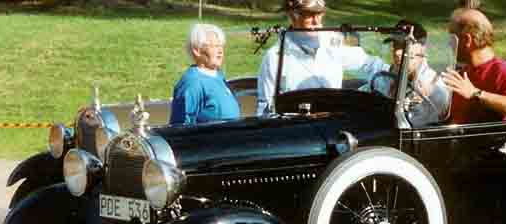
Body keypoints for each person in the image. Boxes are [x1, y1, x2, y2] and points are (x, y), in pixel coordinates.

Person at [256, 0, 386, 115]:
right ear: (292, 15)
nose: (316, 21)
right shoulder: (275, 57)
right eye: (310, 15)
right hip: (297, 130)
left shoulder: (334, 42)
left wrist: (397, 72)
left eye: (319, 14)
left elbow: (367, 64)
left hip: (332, 125)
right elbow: (266, 108)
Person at [441, 8, 506, 124]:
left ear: (467, 40)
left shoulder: (503, 72)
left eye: (452, 38)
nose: (449, 44)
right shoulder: (464, 73)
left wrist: (475, 94)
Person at [371, 19, 451, 125]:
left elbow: (414, 127)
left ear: (422, 49)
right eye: (395, 45)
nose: (397, 52)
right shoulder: (387, 76)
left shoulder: (433, 89)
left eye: (405, 46)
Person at [169, 24, 241, 125]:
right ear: (197, 50)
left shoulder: (219, 76)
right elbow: (180, 127)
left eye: (221, 46)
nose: (220, 51)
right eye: (214, 46)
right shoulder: (192, 83)